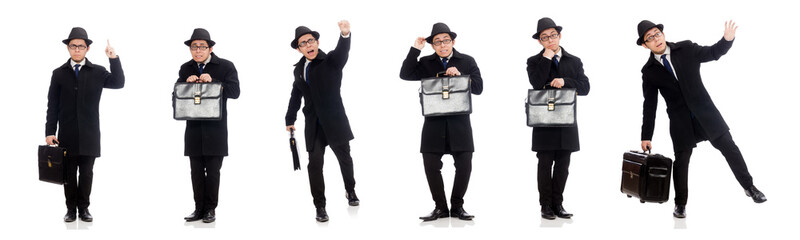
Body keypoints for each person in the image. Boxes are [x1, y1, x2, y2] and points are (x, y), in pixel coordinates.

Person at [636, 20, 767, 218]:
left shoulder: (686, 48)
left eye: (657, 33)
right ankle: (680, 204)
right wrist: (646, 136)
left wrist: (727, 40)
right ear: (645, 45)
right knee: (681, 162)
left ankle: (750, 187)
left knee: (730, 148)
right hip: (680, 122)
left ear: (663, 33)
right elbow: (649, 106)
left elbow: (712, 53)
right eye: (650, 38)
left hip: (706, 113)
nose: (656, 39)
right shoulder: (649, 72)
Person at [399, 22, 483, 221]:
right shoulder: (426, 62)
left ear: (453, 41)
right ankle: (440, 207)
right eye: (437, 42)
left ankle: (457, 206)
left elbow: (479, 88)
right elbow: (405, 74)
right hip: (433, 123)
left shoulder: (467, 61)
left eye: (446, 41)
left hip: (460, 123)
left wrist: (462, 76)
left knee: (464, 164)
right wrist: (415, 50)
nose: (443, 45)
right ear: (432, 45)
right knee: (430, 164)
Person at [45, 27, 125, 222]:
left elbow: (118, 82)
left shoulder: (97, 71)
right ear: (68, 48)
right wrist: (49, 132)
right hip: (67, 132)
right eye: (73, 46)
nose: (77, 50)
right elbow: (52, 105)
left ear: (88, 48)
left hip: (90, 133)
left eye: (81, 46)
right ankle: (71, 210)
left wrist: (113, 59)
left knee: (87, 173)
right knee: (69, 173)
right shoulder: (59, 73)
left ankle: (84, 208)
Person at [285, 20, 359, 222]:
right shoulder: (298, 69)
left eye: (310, 41)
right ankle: (320, 206)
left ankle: (350, 191)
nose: (308, 45)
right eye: (303, 43)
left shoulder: (331, 61)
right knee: (314, 164)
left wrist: (345, 35)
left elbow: (342, 53)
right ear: (299, 49)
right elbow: (295, 94)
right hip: (313, 125)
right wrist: (290, 118)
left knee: (345, 158)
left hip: (335, 121)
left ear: (317, 42)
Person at [526, 17, 590, 220]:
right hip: (543, 120)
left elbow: (585, 88)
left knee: (563, 164)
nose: (550, 40)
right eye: (545, 37)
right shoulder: (533, 61)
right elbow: (536, 84)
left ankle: (558, 203)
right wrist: (546, 57)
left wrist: (565, 81)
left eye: (553, 35)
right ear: (540, 41)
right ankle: (545, 205)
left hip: (567, 120)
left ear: (559, 36)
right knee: (544, 163)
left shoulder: (575, 61)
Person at [177, 28, 240, 223]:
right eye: (194, 47)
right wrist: (184, 85)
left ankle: (211, 209)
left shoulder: (225, 66)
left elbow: (235, 92)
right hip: (193, 129)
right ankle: (198, 209)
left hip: (216, 130)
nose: (197, 51)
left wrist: (215, 82)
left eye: (202, 47)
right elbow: (176, 98)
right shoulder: (185, 68)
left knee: (213, 172)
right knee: (195, 171)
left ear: (210, 48)